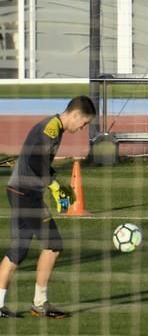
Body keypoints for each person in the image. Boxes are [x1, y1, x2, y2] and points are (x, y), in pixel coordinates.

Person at [0, 95, 96, 318]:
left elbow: (40, 161)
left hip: (18, 190)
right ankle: (40, 303)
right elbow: (35, 161)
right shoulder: (51, 128)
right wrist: (53, 185)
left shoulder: (53, 127)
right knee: (54, 244)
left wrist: (57, 183)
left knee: (19, 249)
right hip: (27, 194)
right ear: (75, 115)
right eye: (84, 123)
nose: (83, 128)